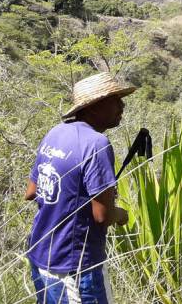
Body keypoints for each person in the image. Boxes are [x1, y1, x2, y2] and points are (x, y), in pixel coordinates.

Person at [25, 72, 136, 304]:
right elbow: (101, 217)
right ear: (94, 106)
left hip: (40, 254)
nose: (121, 105)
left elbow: (31, 192)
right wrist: (120, 214)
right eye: (114, 100)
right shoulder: (96, 144)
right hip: (75, 266)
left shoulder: (56, 132)